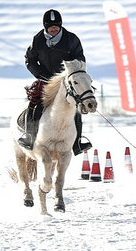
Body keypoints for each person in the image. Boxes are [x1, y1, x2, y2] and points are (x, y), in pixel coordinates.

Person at [18, 9, 93, 156]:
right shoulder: (38, 39)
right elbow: (30, 60)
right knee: (35, 104)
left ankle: (77, 142)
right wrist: (41, 75)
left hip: (67, 81)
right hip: (46, 80)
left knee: (75, 106)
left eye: (57, 26)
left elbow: (80, 59)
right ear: (45, 27)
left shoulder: (71, 39)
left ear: (61, 25)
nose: (54, 29)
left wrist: (68, 74)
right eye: (51, 27)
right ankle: (29, 137)